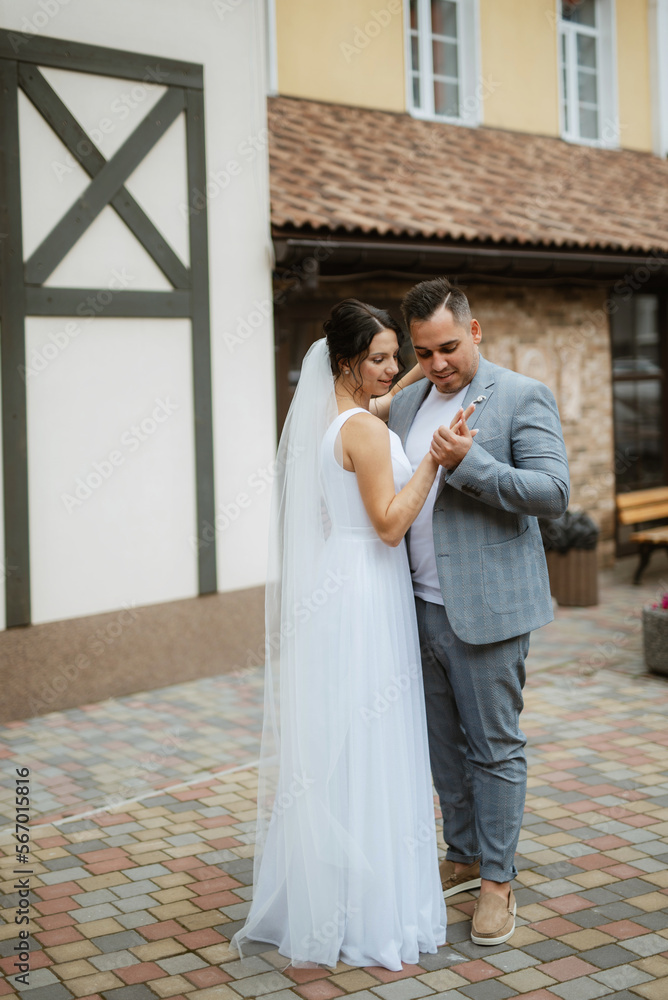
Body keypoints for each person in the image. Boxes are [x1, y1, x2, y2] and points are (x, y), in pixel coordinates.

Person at [230, 299, 473, 970]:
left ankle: (334, 889)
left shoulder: (337, 422)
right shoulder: (364, 434)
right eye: (381, 358)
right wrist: (436, 460)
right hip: (368, 585)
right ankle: (369, 908)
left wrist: (399, 391)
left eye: (399, 355)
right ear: (345, 362)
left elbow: (374, 410)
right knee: (373, 736)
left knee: (345, 737)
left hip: (342, 580)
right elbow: (390, 524)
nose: (395, 368)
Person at [389, 277, 569, 947]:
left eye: (449, 348)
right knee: (443, 749)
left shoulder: (522, 396)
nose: (439, 365)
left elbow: (552, 493)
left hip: (489, 612)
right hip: (418, 609)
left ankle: (497, 882)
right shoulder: (407, 406)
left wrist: (472, 462)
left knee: (494, 751)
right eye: (424, 352)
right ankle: (461, 854)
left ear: (476, 331)